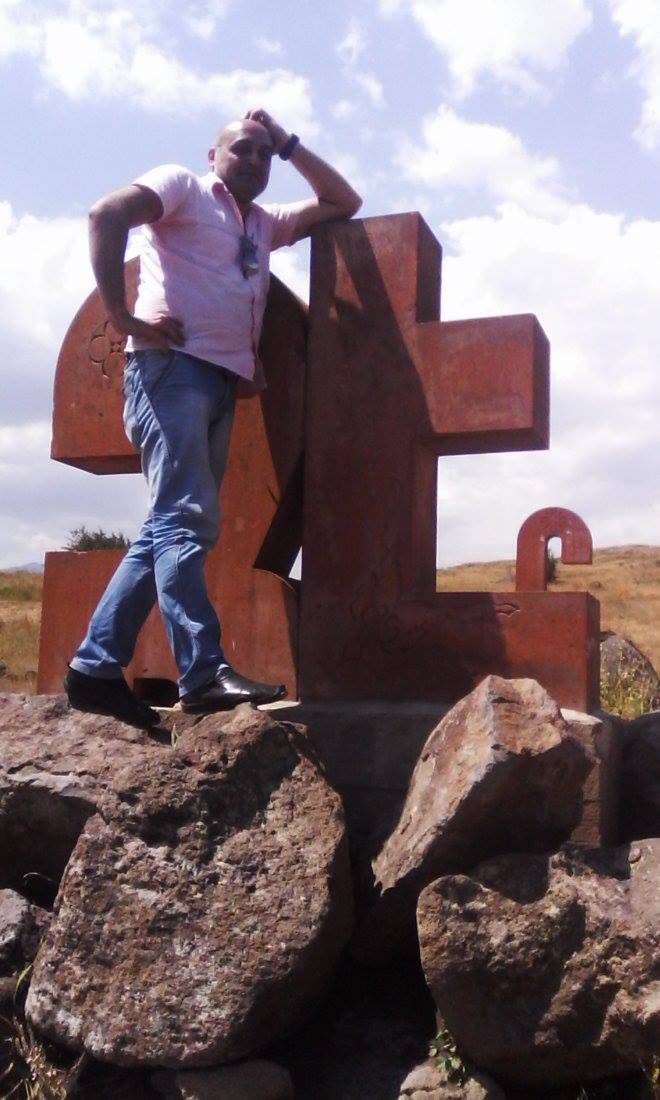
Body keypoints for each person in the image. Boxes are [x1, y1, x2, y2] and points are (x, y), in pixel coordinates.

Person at [64, 108, 362, 726]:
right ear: (212, 155)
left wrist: (289, 143)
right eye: (242, 148)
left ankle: (94, 668)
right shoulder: (182, 188)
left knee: (169, 526)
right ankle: (201, 672)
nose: (254, 159)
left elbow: (343, 201)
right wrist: (121, 317)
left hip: (221, 383)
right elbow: (105, 214)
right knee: (187, 518)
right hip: (169, 370)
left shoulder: (263, 223)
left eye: (264, 153)